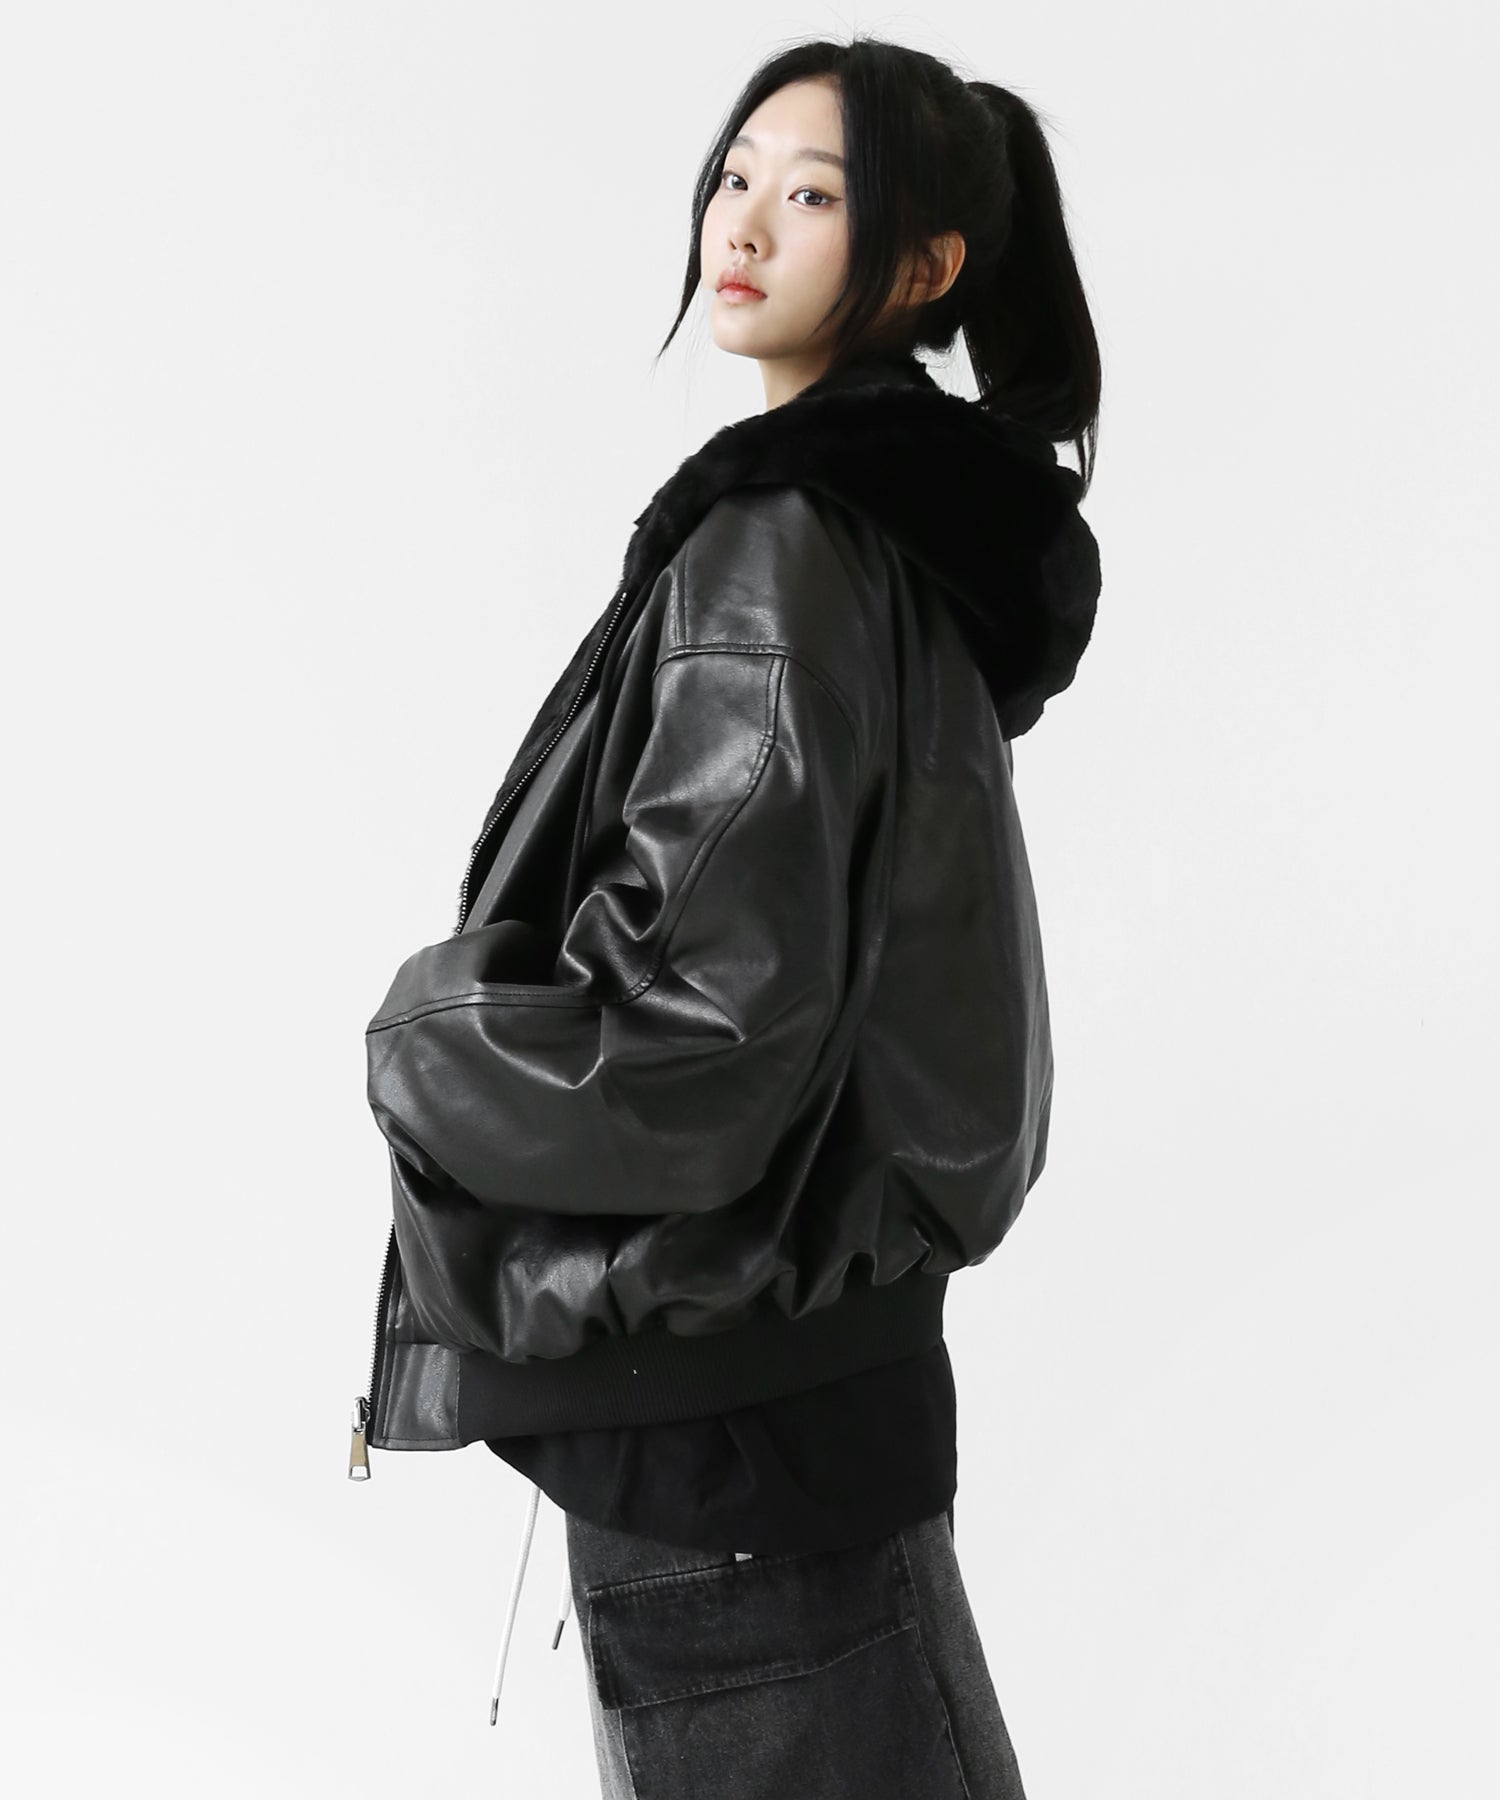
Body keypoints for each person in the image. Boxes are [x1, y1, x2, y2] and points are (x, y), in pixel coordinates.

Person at [351, 30, 1102, 1799]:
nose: (744, 222)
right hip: (788, 1428)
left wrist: (422, 1037)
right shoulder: (891, 541)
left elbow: (698, 1045)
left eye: (814, 194)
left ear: (922, 269)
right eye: (737, 175)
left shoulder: (778, 549)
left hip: (728, 1459)